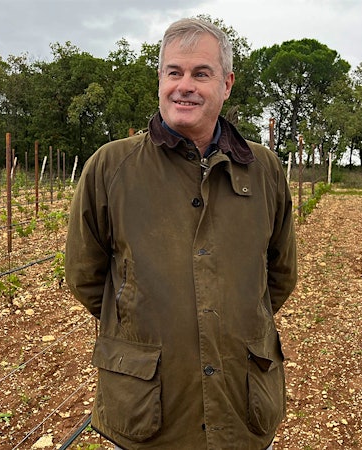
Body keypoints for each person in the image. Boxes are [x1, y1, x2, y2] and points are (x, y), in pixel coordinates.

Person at [65, 17, 297, 450]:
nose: (184, 85)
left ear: (226, 84)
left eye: (200, 73)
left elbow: (279, 275)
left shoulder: (264, 171)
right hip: (148, 409)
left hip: (242, 406)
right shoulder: (111, 168)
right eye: (174, 72)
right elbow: (85, 277)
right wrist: (149, 323)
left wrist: (229, 318)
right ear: (160, 79)